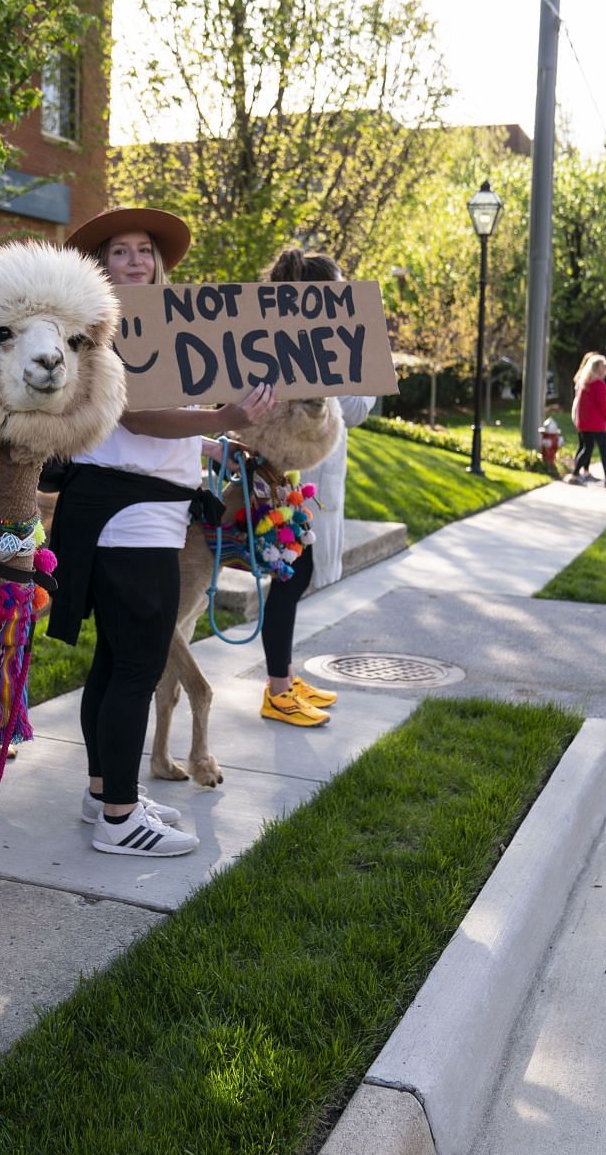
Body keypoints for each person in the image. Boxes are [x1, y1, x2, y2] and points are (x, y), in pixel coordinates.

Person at [48, 207, 276, 858]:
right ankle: (121, 819)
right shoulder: (106, 329)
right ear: (100, 266)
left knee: (117, 662)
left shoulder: (149, 331)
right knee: (137, 667)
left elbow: (162, 419)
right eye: (119, 251)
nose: (136, 260)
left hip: (137, 509)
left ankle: (104, 795)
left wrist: (219, 423)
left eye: (144, 249)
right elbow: (144, 421)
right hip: (129, 514)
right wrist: (224, 414)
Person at [253, 247, 375, 729]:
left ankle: (282, 677)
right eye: (339, 289)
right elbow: (357, 409)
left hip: (301, 480)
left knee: (293, 578)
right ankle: (277, 690)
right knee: (290, 578)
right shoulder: (313, 348)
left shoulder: (296, 341)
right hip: (291, 484)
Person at [567, 352, 606, 490]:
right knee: (604, 450)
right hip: (597, 424)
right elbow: (602, 406)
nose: (605, 369)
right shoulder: (599, 384)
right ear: (597, 368)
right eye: (603, 366)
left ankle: (575, 474)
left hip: (585, 424)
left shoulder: (584, 384)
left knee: (587, 448)